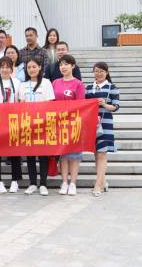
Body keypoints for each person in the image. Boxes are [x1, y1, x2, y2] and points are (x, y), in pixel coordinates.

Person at [18, 58, 55, 196]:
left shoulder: (46, 83)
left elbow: (50, 103)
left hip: (43, 123)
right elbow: (21, 104)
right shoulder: (23, 85)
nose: (31, 69)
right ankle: (33, 183)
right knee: (30, 155)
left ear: (40, 67)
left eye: (34, 67)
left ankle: (43, 184)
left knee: (43, 155)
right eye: (29, 67)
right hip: (28, 123)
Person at [52, 55, 86, 196]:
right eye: (61, 64)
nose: (63, 67)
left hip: (73, 122)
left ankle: (73, 183)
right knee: (63, 154)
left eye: (66, 64)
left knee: (75, 155)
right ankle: (64, 182)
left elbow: (81, 104)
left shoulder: (78, 84)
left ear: (73, 66)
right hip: (59, 123)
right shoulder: (55, 82)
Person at [0, 56, 22, 193]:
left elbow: (20, 100)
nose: (5, 69)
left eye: (7, 67)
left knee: (15, 151)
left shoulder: (17, 82)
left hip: (13, 120)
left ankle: (15, 180)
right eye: (2, 67)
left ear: (12, 69)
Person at [85, 62, 119, 197]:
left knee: (102, 154)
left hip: (105, 124)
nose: (99, 74)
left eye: (101, 71)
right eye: (96, 71)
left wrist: (104, 104)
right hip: (91, 124)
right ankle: (103, 181)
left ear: (107, 72)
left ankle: (97, 185)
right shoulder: (88, 88)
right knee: (96, 154)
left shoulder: (112, 87)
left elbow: (115, 107)